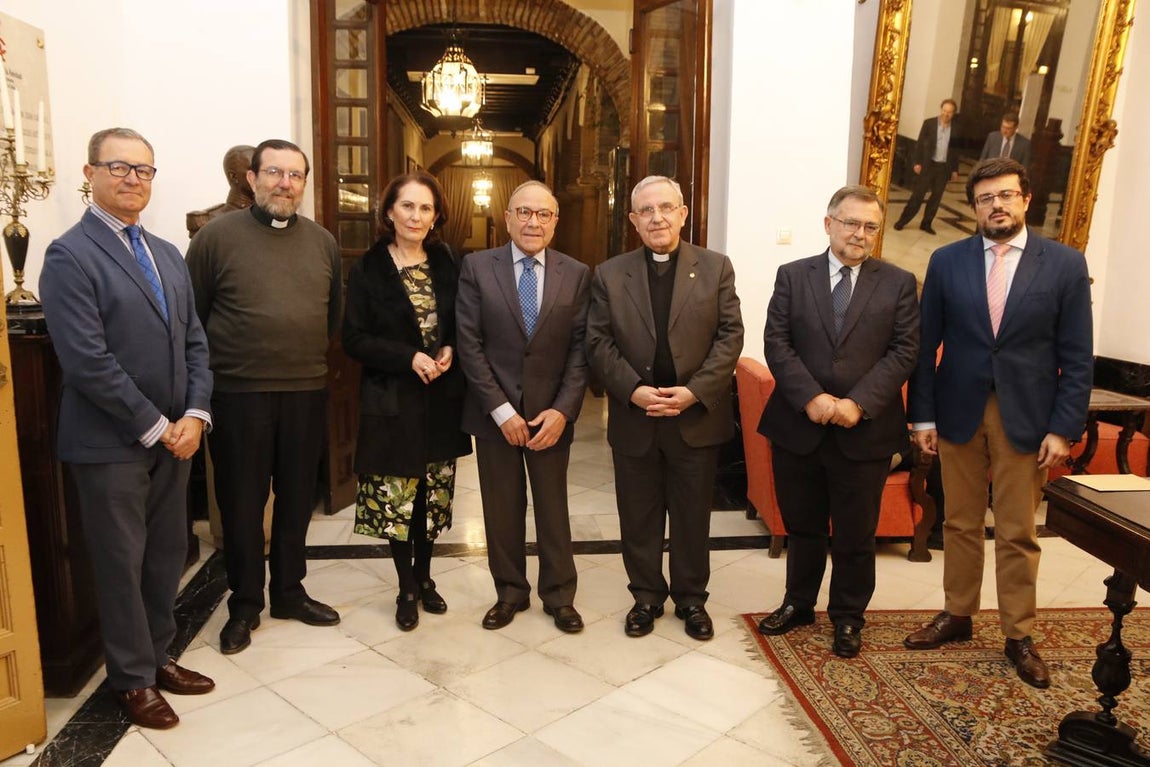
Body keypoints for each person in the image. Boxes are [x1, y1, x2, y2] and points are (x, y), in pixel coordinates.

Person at [40, 127, 215, 729]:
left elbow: (195, 341)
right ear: (89, 174)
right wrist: (157, 425)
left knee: (166, 555)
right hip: (111, 441)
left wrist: (194, 415)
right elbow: (87, 361)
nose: (133, 179)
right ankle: (132, 680)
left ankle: (158, 655)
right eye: (118, 167)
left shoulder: (166, 253)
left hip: (177, 437)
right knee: (121, 561)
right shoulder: (70, 254)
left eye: (143, 170)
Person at [904, 158, 1093, 689]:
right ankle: (958, 613)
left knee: (1017, 529)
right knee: (959, 521)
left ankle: (1019, 634)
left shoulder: (1064, 264)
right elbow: (924, 347)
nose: (997, 205)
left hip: (1028, 418)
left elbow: (1078, 355)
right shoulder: (947, 261)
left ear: (1026, 198)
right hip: (957, 410)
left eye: (1006, 195)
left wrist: (1063, 427)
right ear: (975, 207)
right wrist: (922, 415)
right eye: (986, 198)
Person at [187, 138, 342, 654]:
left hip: (304, 390)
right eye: (274, 172)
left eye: (295, 175)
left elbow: (333, 315)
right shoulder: (215, 238)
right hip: (238, 394)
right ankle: (245, 603)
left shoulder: (322, 242)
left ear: (303, 183)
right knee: (242, 503)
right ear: (252, 179)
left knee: (298, 499)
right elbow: (193, 319)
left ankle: (290, 592)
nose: (284, 183)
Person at [755, 186, 919, 658]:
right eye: (850, 223)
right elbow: (777, 342)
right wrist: (811, 398)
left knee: (854, 533)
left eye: (870, 226)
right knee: (802, 526)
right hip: (798, 427)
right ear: (829, 224)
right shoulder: (792, 275)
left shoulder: (898, 282)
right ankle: (798, 603)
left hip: (863, 430)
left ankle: (848, 618)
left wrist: (858, 403)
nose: (860, 234)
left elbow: (904, 351)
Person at [585, 175, 743, 641]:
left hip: (694, 417)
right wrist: (633, 389)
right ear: (633, 220)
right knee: (638, 514)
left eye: (666, 208)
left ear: (683, 213)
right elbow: (597, 341)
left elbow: (730, 337)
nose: (658, 217)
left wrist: (694, 391)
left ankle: (692, 600)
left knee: (693, 516)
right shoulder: (610, 274)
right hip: (637, 416)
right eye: (647, 211)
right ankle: (646, 598)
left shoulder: (716, 267)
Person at [456, 180, 591, 634]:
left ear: (555, 221)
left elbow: (581, 350)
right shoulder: (477, 267)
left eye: (543, 214)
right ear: (508, 217)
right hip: (495, 417)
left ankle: (559, 596)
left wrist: (563, 410)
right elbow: (469, 345)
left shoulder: (576, 273)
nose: (533, 222)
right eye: (524, 213)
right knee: (501, 507)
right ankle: (509, 592)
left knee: (553, 508)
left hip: (551, 416)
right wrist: (501, 411)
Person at [342, 172, 471, 631]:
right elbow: (353, 338)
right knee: (397, 500)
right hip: (391, 399)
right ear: (389, 212)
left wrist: (451, 347)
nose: (417, 216)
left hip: (439, 401)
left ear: (436, 216)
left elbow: (462, 319)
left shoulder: (448, 262)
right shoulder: (367, 268)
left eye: (426, 208)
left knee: (430, 500)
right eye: (408, 206)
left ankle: (426, 576)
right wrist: (408, 357)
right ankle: (406, 588)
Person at [893, 98, 960, 235]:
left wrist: (954, 170)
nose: (946, 114)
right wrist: (917, 162)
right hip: (928, 165)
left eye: (950, 112)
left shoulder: (956, 129)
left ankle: (926, 223)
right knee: (917, 195)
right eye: (944, 111)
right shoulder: (929, 124)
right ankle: (902, 220)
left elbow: (956, 151)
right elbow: (919, 145)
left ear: (953, 113)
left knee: (936, 198)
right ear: (941, 110)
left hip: (943, 168)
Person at [186, 144, 256, 237]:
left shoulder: (271, 216)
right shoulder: (206, 221)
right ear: (234, 176)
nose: (261, 175)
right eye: (253, 170)